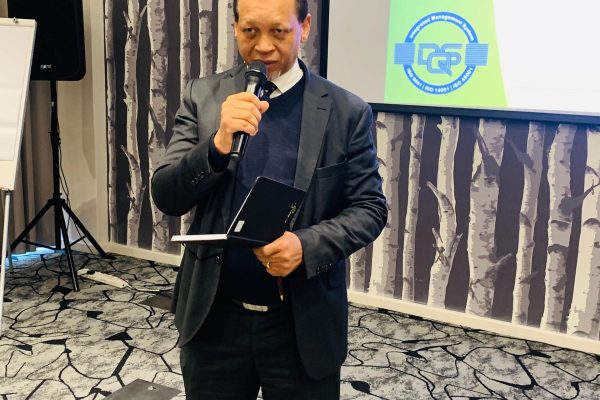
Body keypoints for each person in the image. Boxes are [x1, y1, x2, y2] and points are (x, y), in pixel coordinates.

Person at [151, 0, 387, 398]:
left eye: (278, 31)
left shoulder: (347, 111)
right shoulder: (203, 97)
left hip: (302, 324)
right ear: (235, 27)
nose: (262, 46)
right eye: (250, 31)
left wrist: (306, 246)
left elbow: (370, 208)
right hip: (214, 319)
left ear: (304, 27)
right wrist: (217, 145)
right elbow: (167, 195)